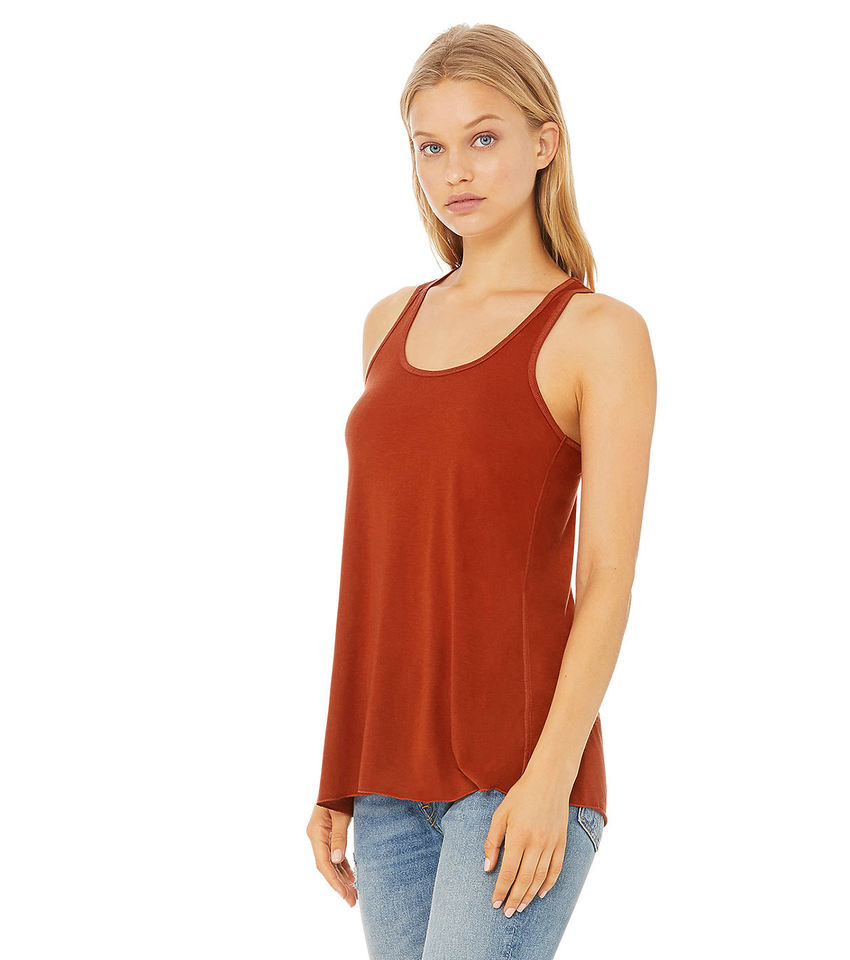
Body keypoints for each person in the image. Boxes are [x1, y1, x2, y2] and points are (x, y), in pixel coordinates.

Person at [306, 22, 656, 959]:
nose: (455, 170)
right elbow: (374, 567)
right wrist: (339, 771)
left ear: (546, 143)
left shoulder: (598, 334)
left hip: (521, 772)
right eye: (430, 147)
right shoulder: (389, 322)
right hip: (387, 782)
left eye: (484, 137)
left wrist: (551, 778)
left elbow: (608, 579)